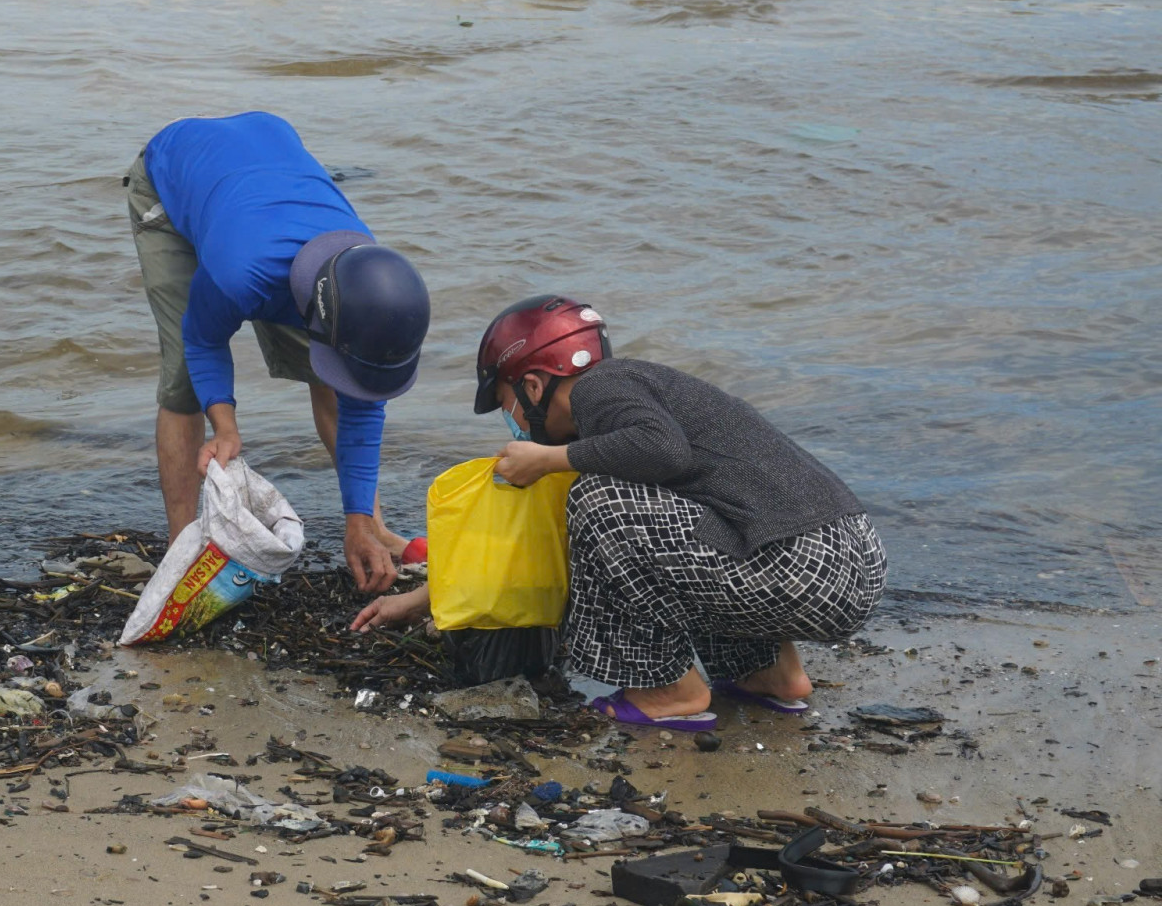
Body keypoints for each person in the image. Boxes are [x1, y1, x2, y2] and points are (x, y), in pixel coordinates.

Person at [354, 296, 884, 731]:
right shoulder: (640, 395)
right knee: (694, 528)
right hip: (846, 558)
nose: (511, 420)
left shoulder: (601, 388)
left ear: (534, 385)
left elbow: (664, 452)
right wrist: (428, 598)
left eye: (507, 402)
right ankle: (770, 676)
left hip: (805, 567)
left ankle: (668, 692)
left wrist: (549, 458)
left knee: (600, 502)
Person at [126, 112, 429, 593]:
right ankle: (180, 548)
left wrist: (354, 520)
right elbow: (204, 340)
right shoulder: (240, 274)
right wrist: (224, 424)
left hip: (262, 165)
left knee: (338, 373)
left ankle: (371, 525)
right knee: (186, 378)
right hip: (172, 174)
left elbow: (363, 403)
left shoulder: (364, 276)